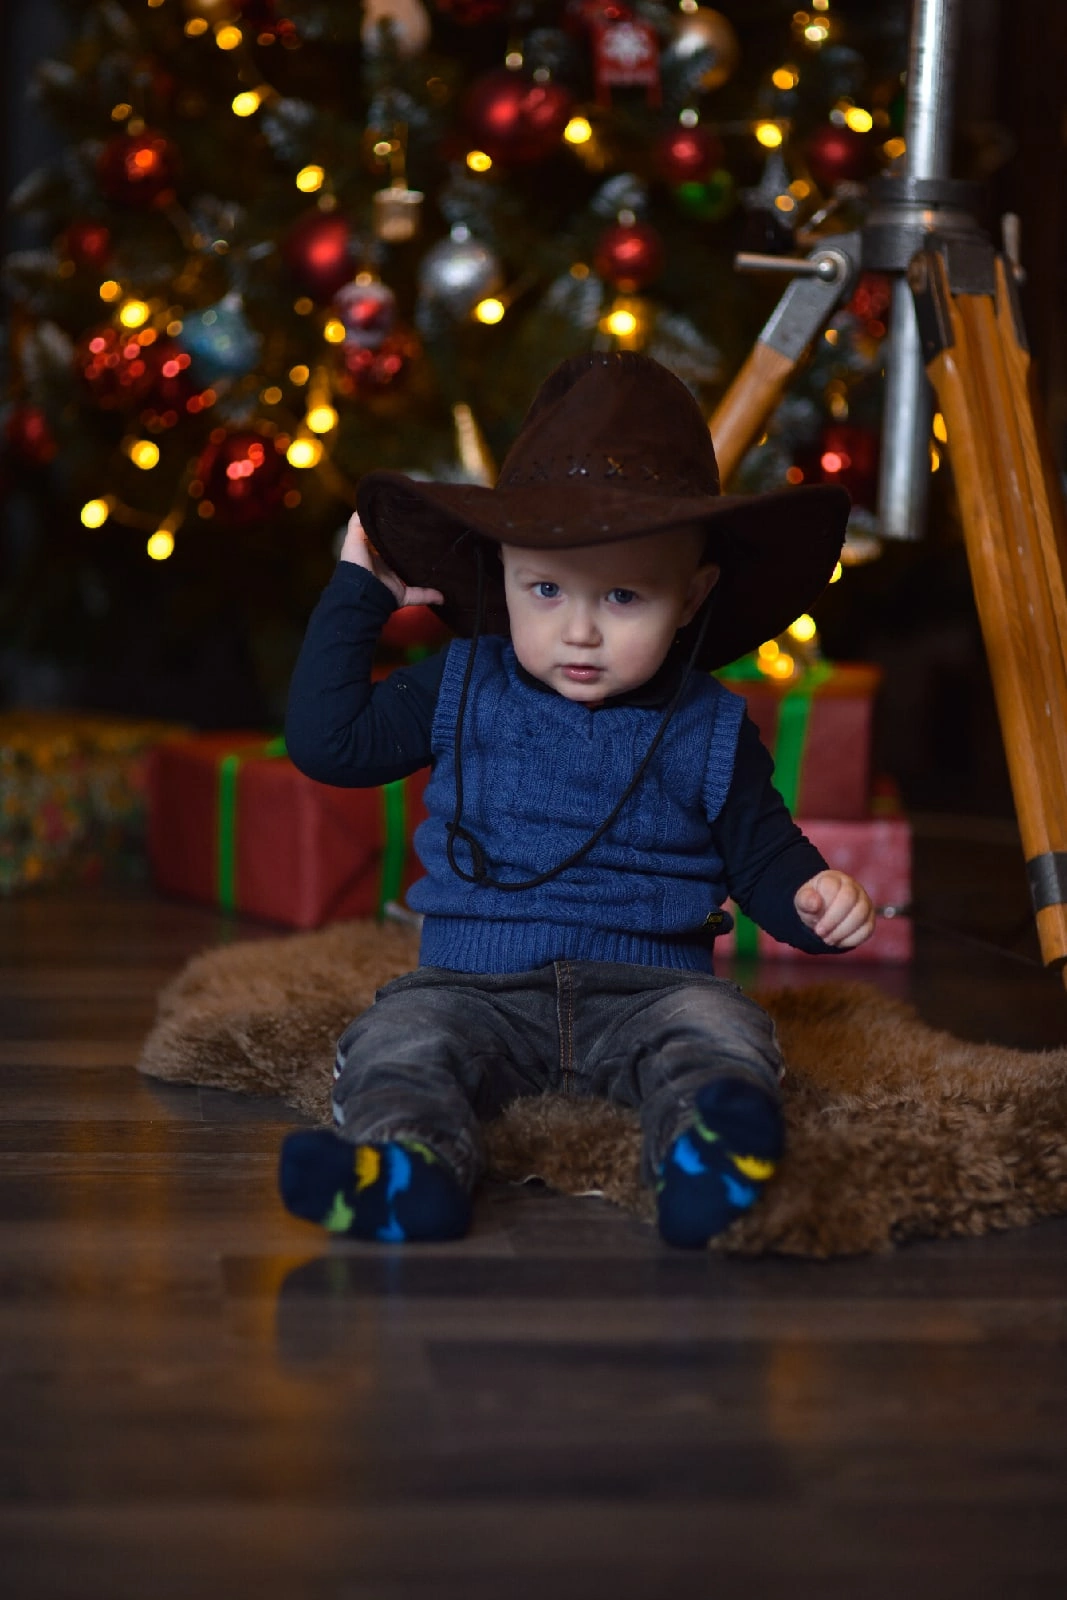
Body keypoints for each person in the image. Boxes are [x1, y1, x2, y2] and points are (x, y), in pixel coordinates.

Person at [279, 352, 875, 1250]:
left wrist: (810, 898)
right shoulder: (461, 682)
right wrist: (359, 595)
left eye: (624, 596)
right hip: (471, 981)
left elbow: (760, 855)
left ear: (692, 597)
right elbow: (330, 745)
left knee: (722, 1038)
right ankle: (407, 1169)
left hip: (652, 986)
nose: (580, 630)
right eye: (545, 590)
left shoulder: (708, 723)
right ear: (503, 573)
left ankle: (702, 1159)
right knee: (398, 1040)